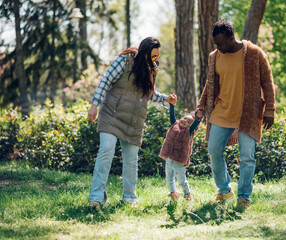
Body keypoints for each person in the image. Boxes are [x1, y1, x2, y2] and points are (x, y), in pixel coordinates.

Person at [87, 37, 177, 207]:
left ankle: (129, 198)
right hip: (112, 114)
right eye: (153, 56)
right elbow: (105, 81)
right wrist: (94, 106)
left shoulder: (152, 69)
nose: (155, 60)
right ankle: (96, 197)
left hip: (134, 120)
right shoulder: (124, 61)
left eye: (157, 57)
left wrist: (166, 99)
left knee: (131, 160)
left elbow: (150, 93)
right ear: (144, 53)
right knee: (106, 151)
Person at [196, 20, 275, 210]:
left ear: (232, 38)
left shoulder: (254, 53)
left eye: (221, 43)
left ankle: (244, 197)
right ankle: (224, 190)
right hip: (223, 111)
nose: (218, 47)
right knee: (214, 150)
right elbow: (210, 84)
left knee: (247, 156)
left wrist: (270, 110)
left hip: (247, 113)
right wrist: (201, 106)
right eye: (216, 44)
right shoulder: (215, 56)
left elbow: (267, 81)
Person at [159, 101, 203, 202]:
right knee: (169, 178)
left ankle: (187, 194)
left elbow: (195, 123)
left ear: (190, 126)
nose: (184, 121)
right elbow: (172, 116)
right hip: (169, 159)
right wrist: (172, 106)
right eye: (184, 118)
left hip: (179, 161)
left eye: (188, 122)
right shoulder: (174, 125)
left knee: (181, 180)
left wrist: (198, 117)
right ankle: (173, 193)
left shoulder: (189, 131)